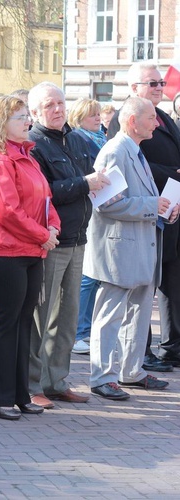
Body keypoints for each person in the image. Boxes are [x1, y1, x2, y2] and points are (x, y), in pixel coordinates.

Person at [0, 95, 60, 420]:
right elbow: (6, 211)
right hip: (5, 251)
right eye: (21, 117)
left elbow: (46, 199)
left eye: (27, 116)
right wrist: (43, 234)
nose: (28, 121)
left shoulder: (28, 156)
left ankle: (20, 393)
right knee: (7, 322)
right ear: (1, 124)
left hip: (31, 250)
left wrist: (52, 228)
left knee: (24, 323)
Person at [87, 97, 179, 400]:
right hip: (119, 248)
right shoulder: (115, 151)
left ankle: (131, 370)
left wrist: (165, 210)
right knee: (110, 314)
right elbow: (106, 204)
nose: (156, 123)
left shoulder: (134, 150)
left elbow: (139, 198)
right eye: (151, 117)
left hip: (141, 246)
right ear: (132, 121)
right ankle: (102, 376)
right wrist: (153, 206)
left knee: (138, 314)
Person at [27, 82, 101, 409]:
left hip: (78, 237)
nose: (58, 109)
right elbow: (44, 193)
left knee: (68, 316)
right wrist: (84, 184)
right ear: (34, 113)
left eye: (60, 102)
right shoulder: (34, 145)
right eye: (49, 105)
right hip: (50, 240)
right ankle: (32, 384)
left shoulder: (75, 139)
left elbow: (92, 176)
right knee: (41, 316)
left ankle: (56, 381)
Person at [107, 62, 180, 372]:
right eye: (151, 83)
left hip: (171, 209)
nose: (158, 87)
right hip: (145, 212)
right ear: (133, 88)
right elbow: (135, 166)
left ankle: (172, 346)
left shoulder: (163, 116)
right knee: (143, 284)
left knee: (171, 281)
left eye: (160, 82)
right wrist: (173, 175)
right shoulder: (122, 121)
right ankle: (142, 351)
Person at [68, 98, 109, 355]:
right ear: (79, 117)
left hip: (102, 207)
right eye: (92, 115)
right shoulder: (79, 140)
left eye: (98, 114)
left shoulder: (101, 140)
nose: (97, 118)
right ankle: (80, 331)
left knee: (95, 275)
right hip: (89, 210)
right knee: (88, 276)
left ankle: (88, 328)